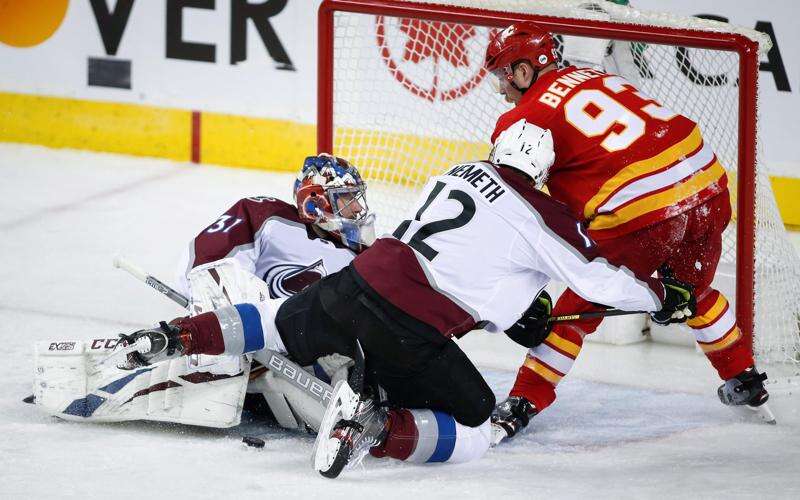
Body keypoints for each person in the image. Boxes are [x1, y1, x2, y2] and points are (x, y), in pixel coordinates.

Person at [117, 125, 695, 476]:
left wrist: (518, 310)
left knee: (271, 321)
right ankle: (377, 427)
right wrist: (654, 296)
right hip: (408, 329)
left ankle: (174, 335)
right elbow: (595, 278)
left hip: (361, 281)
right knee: (474, 428)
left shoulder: (457, 173)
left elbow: (465, 260)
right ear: (542, 172)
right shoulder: (539, 212)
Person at [483, 21, 772, 439]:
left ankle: (524, 400)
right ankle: (744, 378)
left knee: (576, 308)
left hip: (644, 215)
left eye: (502, 76)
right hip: (709, 189)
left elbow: (518, 203)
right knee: (687, 293)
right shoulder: (599, 75)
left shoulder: (522, 118)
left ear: (524, 70)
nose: (501, 89)